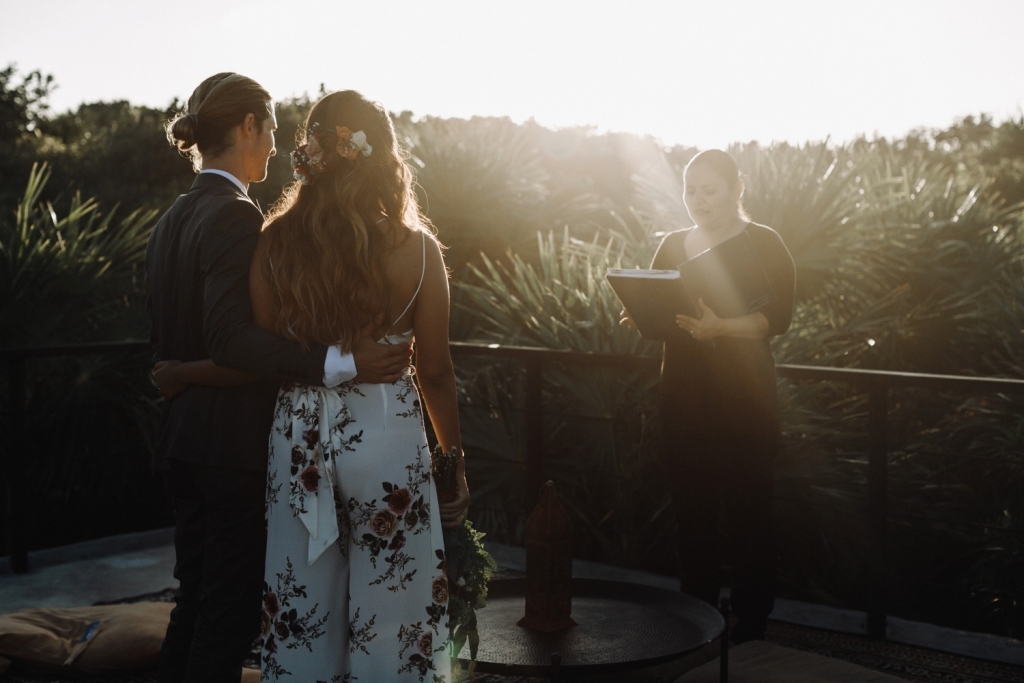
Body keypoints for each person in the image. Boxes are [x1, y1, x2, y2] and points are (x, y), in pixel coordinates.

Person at [159, 90, 469, 681]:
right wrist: (453, 459)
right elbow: (435, 371)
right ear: (380, 156)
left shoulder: (273, 242)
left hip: (300, 444)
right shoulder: (419, 251)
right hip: (386, 439)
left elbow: (268, 347)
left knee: (300, 609)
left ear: (314, 153)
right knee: (395, 613)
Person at [642, 149, 795, 643]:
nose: (699, 201)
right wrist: (641, 313)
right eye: (691, 190)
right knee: (693, 518)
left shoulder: (765, 243)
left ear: (737, 190)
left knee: (750, 515)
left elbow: (779, 319)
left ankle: (751, 620)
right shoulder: (670, 244)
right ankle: (698, 616)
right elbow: (660, 306)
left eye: (710, 190)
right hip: (682, 401)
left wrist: (720, 328)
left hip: (745, 404)